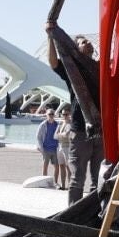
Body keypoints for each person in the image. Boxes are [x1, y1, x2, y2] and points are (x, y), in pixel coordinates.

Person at [46, 26, 104, 203]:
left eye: (88, 41)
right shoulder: (72, 69)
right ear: (76, 49)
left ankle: (95, 213)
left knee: (98, 179)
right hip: (80, 130)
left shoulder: (99, 67)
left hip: (101, 131)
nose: (88, 43)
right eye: (82, 42)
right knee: (77, 178)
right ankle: (73, 213)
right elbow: (54, 63)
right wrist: (50, 37)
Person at [54, 106, 74, 192]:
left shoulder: (71, 124)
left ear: (69, 114)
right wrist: (62, 134)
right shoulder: (61, 123)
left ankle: (70, 186)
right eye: (63, 114)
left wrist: (60, 134)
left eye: (66, 114)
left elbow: (67, 134)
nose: (64, 116)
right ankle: (63, 185)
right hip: (60, 147)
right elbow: (55, 136)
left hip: (67, 147)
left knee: (68, 167)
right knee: (61, 166)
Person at [36, 109, 60, 180]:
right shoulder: (43, 125)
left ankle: (55, 182)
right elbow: (38, 136)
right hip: (46, 149)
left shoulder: (57, 125)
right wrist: (41, 148)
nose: (51, 115)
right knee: (45, 166)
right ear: (46, 115)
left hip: (55, 149)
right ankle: (44, 181)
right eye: (49, 114)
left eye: (52, 114)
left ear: (54, 115)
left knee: (56, 166)